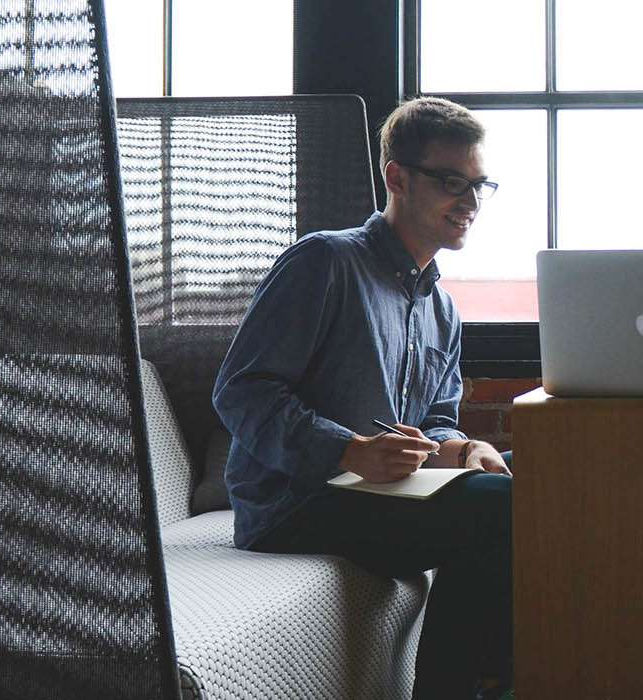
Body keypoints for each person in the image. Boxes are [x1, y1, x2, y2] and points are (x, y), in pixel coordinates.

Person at [211, 96, 513, 700]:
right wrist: (348, 451)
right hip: (295, 503)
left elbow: (434, 419)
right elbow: (241, 391)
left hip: (381, 497)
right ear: (396, 176)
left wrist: (461, 445)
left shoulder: (441, 308)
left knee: (528, 494)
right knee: (500, 508)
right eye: (453, 182)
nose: (471, 203)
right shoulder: (325, 261)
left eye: (481, 186)